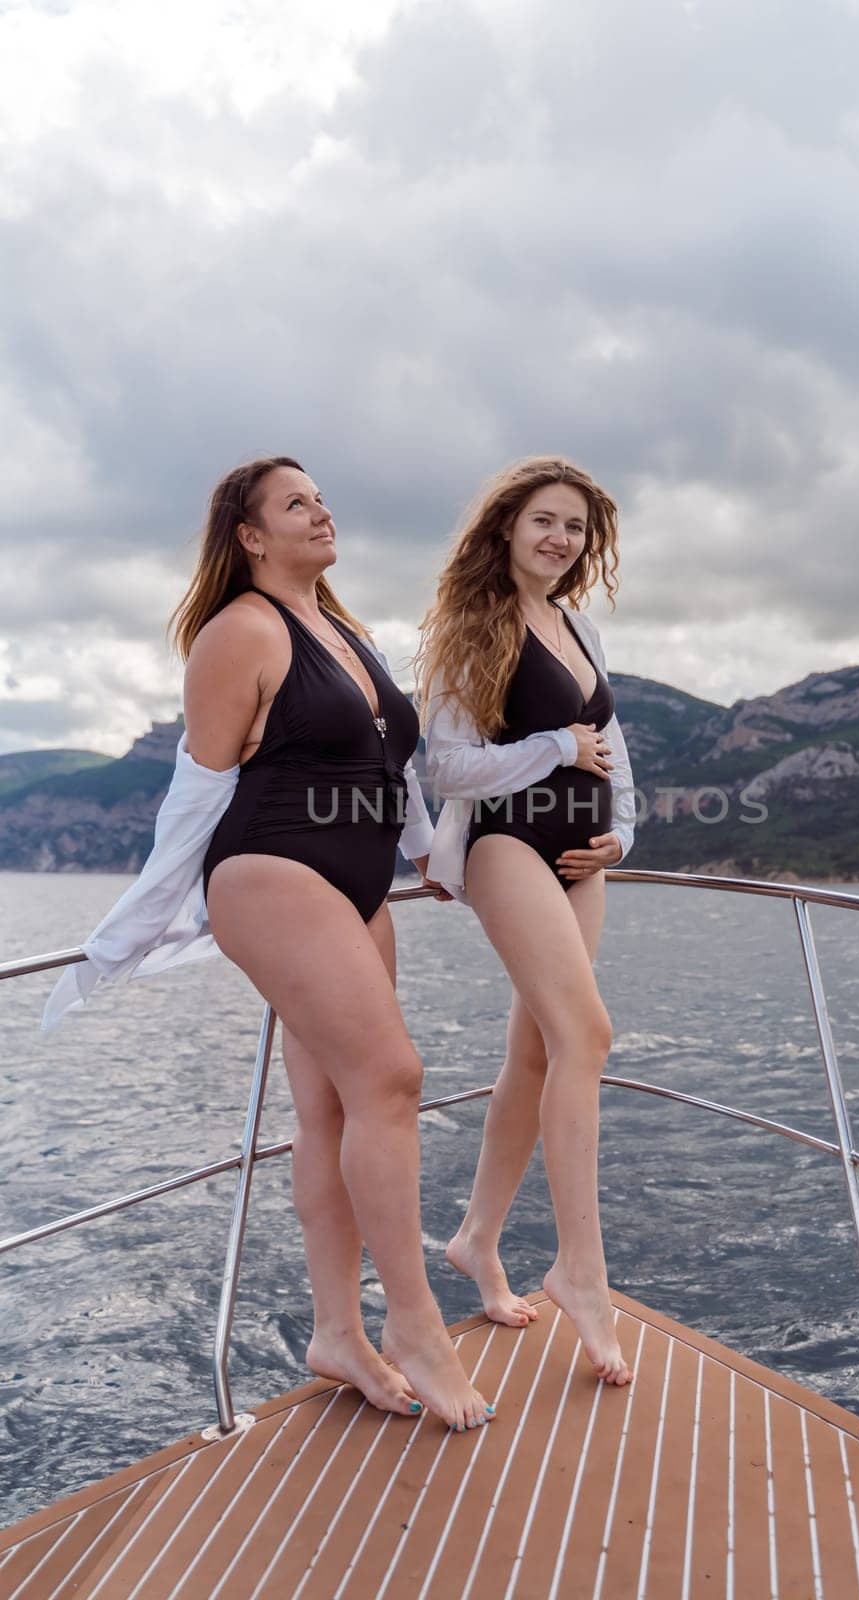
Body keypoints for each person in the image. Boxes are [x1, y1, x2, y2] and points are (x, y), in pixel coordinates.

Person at [46, 456, 493, 1433]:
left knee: (331, 1110)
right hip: (268, 872)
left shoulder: (344, 631)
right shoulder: (238, 633)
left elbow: (390, 763)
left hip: (357, 883)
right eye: (296, 502)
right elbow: (197, 796)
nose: (320, 509)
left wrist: (425, 852)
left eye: (320, 495)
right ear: (249, 535)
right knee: (394, 1078)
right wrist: (126, 932)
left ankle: (338, 1331)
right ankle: (414, 1323)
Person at [416, 455, 637, 1386]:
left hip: (582, 863)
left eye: (576, 527)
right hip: (508, 847)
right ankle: (582, 1273)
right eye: (544, 520)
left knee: (538, 1053)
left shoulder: (573, 621)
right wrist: (554, 745)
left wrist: (621, 834)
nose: (560, 538)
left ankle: (476, 1236)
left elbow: (613, 750)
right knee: (586, 1034)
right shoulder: (473, 625)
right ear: (506, 526)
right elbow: (447, 769)